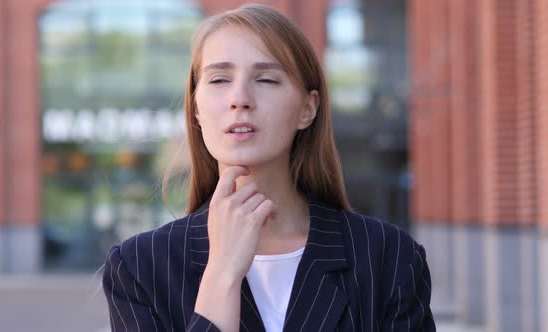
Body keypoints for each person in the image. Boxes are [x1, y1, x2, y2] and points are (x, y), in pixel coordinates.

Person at [102, 4, 435, 332]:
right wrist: (222, 273)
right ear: (197, 109)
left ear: (308, 108)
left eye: (266, 79)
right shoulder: (140, 268)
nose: (240, 98)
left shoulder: (387, 258)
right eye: (219, 79)